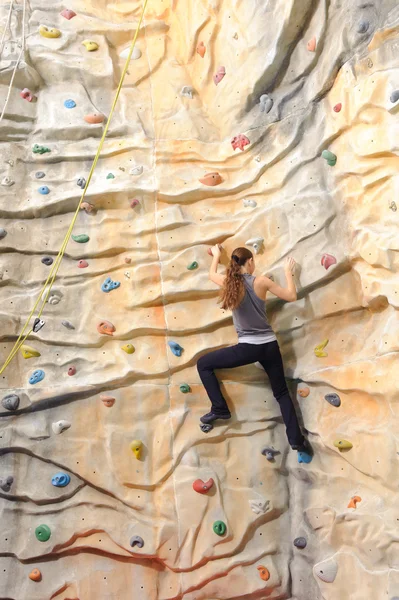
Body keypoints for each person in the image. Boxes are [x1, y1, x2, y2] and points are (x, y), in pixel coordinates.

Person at [197, 244, 310, 454]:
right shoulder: (262, 281)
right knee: (282, 393)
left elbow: (211, 274)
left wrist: (215, 255)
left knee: (203, 364)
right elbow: (292, 296)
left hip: (248, 348)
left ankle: (220, 408)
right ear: (250, 261)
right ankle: (296, 441)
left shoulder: (228, 283)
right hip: (269, 346)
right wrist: (288, 272)